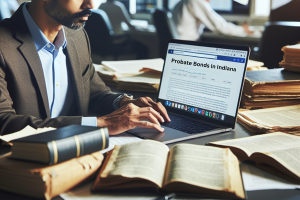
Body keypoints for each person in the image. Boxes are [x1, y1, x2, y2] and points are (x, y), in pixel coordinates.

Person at [0, 0, 170, 136]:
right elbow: (4, 122)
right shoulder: (3, 44)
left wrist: (124, 103)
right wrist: (100, 124)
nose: (91, 5)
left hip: (81, 153)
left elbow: (95, 93)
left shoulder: (77, 36)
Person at [172, 0, 253, 41]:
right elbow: (220, 27)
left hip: (179, 43)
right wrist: (243, 29)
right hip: (187, 45)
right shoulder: (196, 1)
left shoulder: (181, 3)